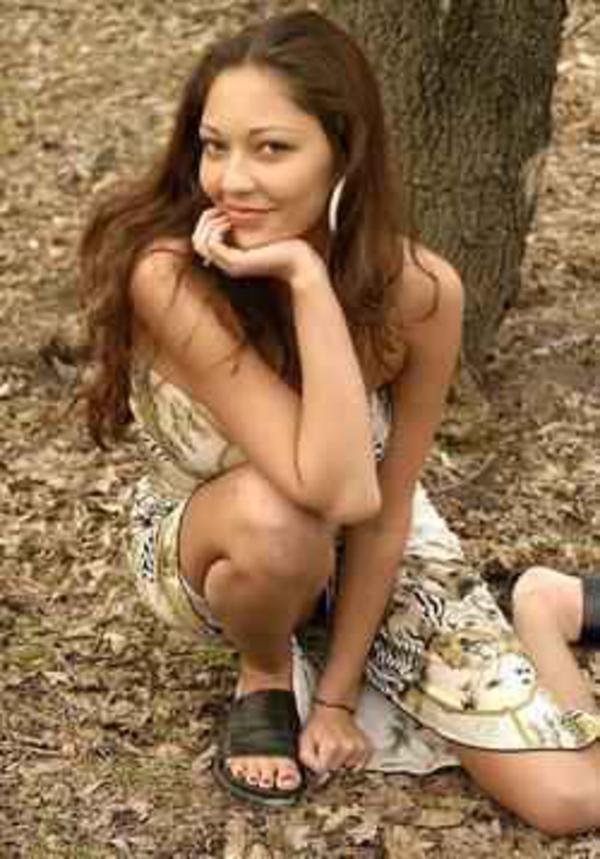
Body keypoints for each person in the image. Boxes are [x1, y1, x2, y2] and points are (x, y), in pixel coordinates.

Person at [78, 9, 600, 831]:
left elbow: (378, 506)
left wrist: (337, 697)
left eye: (271, 149)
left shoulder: (422, 293)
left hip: (368, 546)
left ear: (344, 154)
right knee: (279, 516)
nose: (231, 179)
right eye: (215, 146)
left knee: (573, 800)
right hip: (217, 542)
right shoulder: (171, 275)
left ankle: (542, 605)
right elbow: (324, 488)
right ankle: (262, 672)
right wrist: (301, 272)